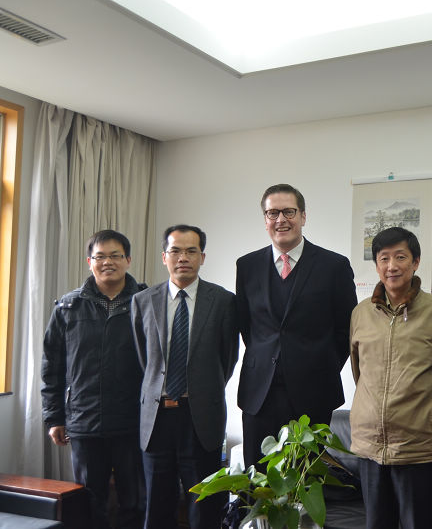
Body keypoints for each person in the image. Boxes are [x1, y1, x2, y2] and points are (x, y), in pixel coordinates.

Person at [236, 183, 357, 467]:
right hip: (259, 393)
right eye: (273, 213)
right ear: (265, 219)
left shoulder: (334, 266)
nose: (281, 220)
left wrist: (318, 364)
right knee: (257, 478)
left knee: (305, 476)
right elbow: (247, 326)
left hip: (313, 392)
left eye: (289, 212)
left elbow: (346, 330)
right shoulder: (247, 266)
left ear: (303, 216)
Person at [132, 225, 238, 529]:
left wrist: (202, 389)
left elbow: (228, 358)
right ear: (164, 256)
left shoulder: (223, 301)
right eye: (175, 251)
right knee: (157, 506)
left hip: (200, 418)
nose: (183, 258)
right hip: (157, 420)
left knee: (205, 508)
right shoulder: (143, 300)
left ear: (202, 257)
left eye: (191, 251)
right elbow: (144, 359)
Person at [350, 227, 432, 529]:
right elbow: (359, 372)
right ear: (376, 265)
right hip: (369, 445)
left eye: (400, 257)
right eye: (384, 258)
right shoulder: (360, 313)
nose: (391, 266)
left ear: (416, 262)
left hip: (418, 447)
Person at [41, 229, 146, 529]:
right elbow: (52, 366)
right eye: (100, 256)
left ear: (128, 260)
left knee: (135, 501)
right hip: (84, 421)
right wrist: (54, 417)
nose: (107, 262)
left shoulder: (146, 302)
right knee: (89, 502)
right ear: (90, 262)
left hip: (134, 422)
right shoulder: (68, 307)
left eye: (115, 255)